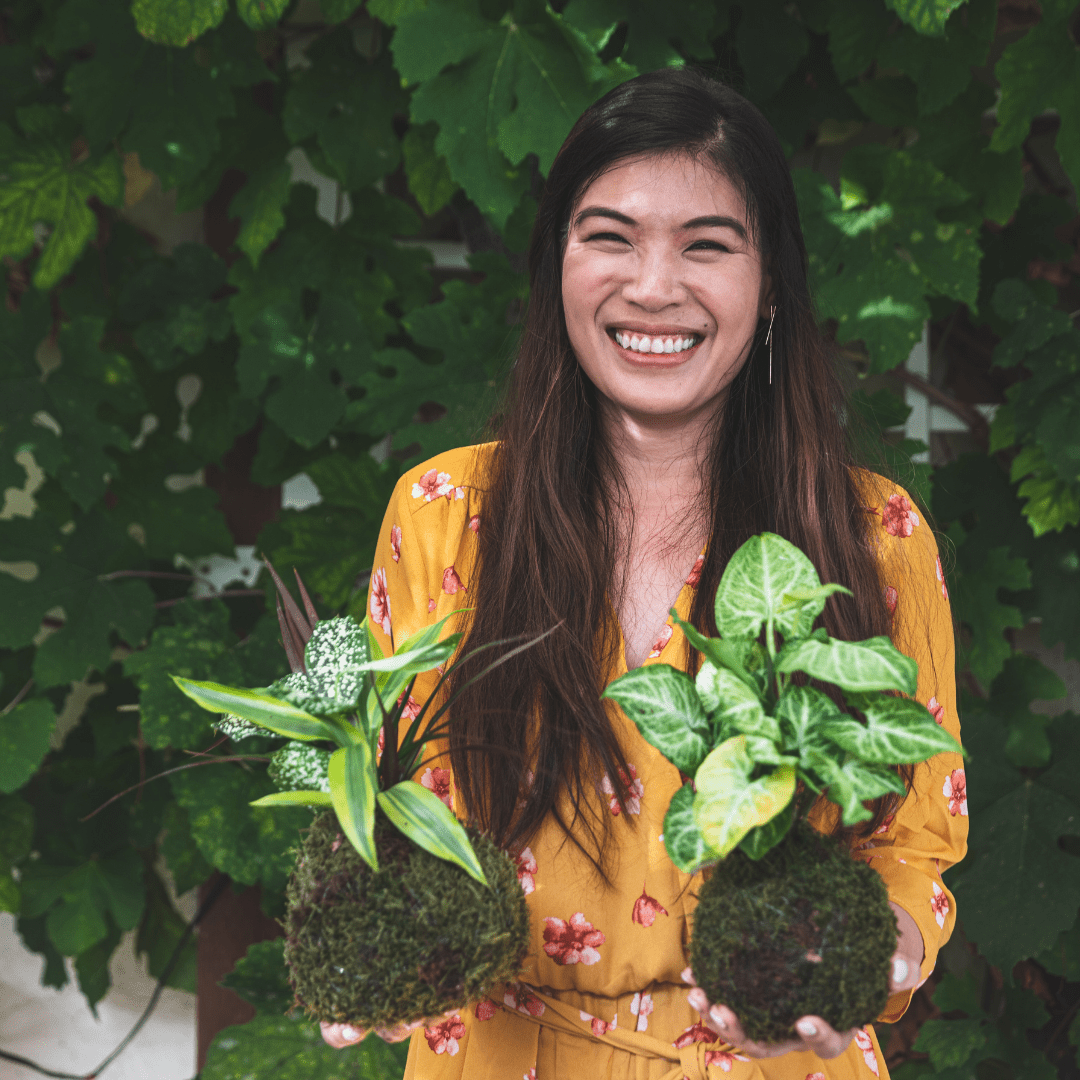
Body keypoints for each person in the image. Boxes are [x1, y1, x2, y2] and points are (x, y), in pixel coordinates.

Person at [322, 67, 967, 1079]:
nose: (653, 286)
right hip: (501, 1055)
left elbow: (914, 842)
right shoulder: (447, 515)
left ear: (771, 286)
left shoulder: (870, 535)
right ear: (557, 266)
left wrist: (870, 949)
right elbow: (404, 804)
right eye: (609, 236)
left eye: (706, 245)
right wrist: (378, 939)